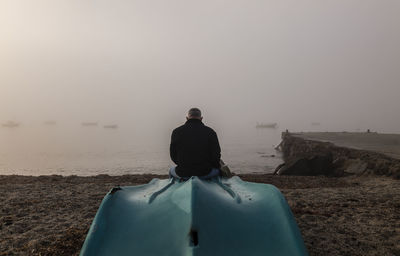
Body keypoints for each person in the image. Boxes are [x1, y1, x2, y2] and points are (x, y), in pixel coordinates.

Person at [169, 108, 221, 179]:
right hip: (205, 173)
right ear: (201, 118)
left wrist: (182, 165)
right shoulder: (211, 132)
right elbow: (216, 155)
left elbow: (173, 155)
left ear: (187, 118)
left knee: (171, 170)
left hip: (182, 173)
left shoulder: (176, 132)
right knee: (218, 170)